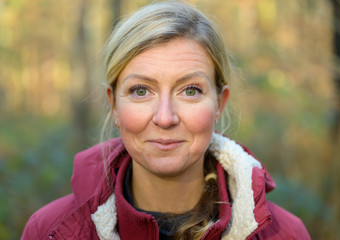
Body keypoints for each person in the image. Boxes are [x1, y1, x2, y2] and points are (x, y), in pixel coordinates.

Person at [21, 1, 311, 239]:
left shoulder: (286, 234)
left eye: (190, 90)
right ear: (114, 105)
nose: (165, 117)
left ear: (220, 103)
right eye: (141, 91)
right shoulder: (48, 230)